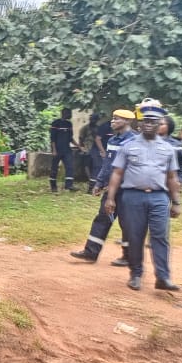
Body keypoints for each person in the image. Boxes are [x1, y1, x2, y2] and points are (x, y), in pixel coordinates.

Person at [104, 105, 182, 292]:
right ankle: (136, 275)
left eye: (153, 122)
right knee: (135, 236)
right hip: (133, 196)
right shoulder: (128, 146)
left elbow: (172, 178)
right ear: (140, 124)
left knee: (160, 237)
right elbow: (117, 173)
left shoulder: (168, 149)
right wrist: (110, 198)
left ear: (159, 125)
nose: (148, 124)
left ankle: (163, 277)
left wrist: (176, 202)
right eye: (145, 121)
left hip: (159, 198)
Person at [70, 109, 136, 266]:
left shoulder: (135, 141)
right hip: (112, 188)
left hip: (129, 189)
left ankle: (129, 257)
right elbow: (107, 165)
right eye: (112, 118)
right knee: (102, 218)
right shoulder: (113, 140)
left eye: (116, 119)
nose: (112, 122)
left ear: (127, 121)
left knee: (128, 223)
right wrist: (99, 182)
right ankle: (91, 252)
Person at [49, 108, 77, 192]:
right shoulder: (56, 123)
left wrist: (78, 146)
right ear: (63, 113)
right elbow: (52, 138)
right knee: (54, 168)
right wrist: (54, 150)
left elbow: (70, 138)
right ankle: (53, 186)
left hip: (67, 149)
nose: (70, 115)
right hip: (57, 149)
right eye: (68, 113)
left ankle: (69, 185)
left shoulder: (69, 124)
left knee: (70, 167)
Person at [161, 116, 182, 187]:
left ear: (169, 126)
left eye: (161, 124)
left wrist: (180, 180)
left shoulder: (176, 145)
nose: (157, 126)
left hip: (169, 182)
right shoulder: (149, 142)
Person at [79, 113, 101, 192]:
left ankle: (94, 181)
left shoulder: (99, 129)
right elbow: (81, 138)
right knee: (87, 165)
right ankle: (90, 180)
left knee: (96, 166)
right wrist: (81, 148)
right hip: (87, 149)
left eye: (94, 119)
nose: (92, 121)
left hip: (96, 150)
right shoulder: (85, 128)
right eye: (91, 119)